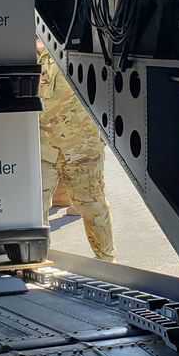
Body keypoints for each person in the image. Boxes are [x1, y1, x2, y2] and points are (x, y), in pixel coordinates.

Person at [37, 41, 115, 261]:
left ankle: (107, 262)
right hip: (44, 146)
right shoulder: (38, 56)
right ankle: (37, 259)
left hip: (81, 148)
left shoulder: (87, 55)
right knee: (36, 207)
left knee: (92, 205)